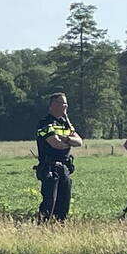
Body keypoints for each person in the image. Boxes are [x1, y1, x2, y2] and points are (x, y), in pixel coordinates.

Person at [35, 92, 82, 222]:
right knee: (50, 201)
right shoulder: (45, 123)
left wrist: (65, 138)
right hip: (50, 167)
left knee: (64, 202)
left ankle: (60, 226)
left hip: (65, 167)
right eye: (63, 104)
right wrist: (69, 141)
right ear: (53, 105)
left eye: (66, 104)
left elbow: (79, 142)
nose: (66, 107)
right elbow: (56, 144)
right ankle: (43, 227)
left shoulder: (65, 123)